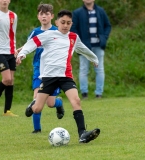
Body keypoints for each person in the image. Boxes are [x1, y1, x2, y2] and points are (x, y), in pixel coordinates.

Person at [16, 10, 100, 143]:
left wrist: (94, 58)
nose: (65, 25)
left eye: (68, 23)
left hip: (66, 76)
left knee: (76, 101)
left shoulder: (73, 37)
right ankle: (34, 103)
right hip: (49, 77)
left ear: (71, 24)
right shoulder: (48, 35)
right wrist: (22, 54)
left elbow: (83, 49)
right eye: (62, 22)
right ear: (57, 22)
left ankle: (82, 134)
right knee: (37, 109)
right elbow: (32, 43)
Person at [15, 3, 64, 133]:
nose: (44, 16)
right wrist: (20, 53)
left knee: (50, 103)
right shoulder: (35, 32)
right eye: (41, 14)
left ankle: (59, 104)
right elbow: (28, 45)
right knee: (36, 98)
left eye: (47, 14)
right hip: (39, 69)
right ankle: (37, 129)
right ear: (38, 16)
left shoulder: (56, 31)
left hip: (53, 70)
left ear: (52, 16)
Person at [71, 0, 111, 99]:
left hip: (98, 45)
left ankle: (99, 94)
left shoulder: (100, 11)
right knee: (84, 69)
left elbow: (107, 25)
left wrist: (103, 38)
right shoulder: (77, 13)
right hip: (84, 47)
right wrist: (79, 43)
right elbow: (73, 28)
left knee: (99, 69)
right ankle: (84, 93)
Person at [0, 0, 18, 117]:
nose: (4, 1)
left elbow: (12, 34)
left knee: (11, 81)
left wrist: (15, 50)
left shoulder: (13, 15)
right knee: (6, 79)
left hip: (10, 51)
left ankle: (7, 111)